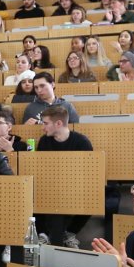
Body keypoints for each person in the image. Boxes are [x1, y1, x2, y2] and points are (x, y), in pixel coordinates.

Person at [31, 105, 92, 247]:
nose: (42, 127)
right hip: (49, 188)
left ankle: (68, 233)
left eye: (45, 123)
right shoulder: (44, 141)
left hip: (76, 188)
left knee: (96, 198)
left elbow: (89, 173)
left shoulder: (81, 142)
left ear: (58, 124)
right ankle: (45, 235)